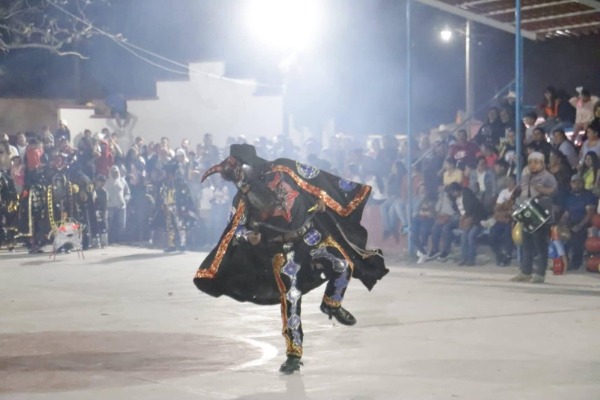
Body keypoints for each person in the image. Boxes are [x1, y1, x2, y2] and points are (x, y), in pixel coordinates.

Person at [193, 144, 388, 374]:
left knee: (342, 265)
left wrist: (321, 199)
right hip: (283, 250)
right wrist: (247, 236)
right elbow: (235, 229)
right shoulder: (242, 199)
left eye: (240, 173)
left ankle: (331, 304)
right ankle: (294, 353)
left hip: (311, 235)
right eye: (236, 179)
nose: (240, 181)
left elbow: (315, 182)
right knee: (291, 297)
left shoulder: (283, 168)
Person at [511, 152, 557, 284]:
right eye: (530, 162)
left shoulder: (548, 177)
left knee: (540, 245)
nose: (533, 165)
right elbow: (519, 190)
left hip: (541, 214)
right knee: (527, 244)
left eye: (536, 162)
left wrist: (540, 189)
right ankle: (525, 272)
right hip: (527, 214)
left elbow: (554, 192)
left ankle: (540, 274)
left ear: (542, 163)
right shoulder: (525, 177)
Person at [559, 174, 597, 271]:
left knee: (577, 240)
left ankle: (576, 264)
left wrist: (579, 226)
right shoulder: (570, 197)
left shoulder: (588, 196)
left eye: (579, 182)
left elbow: (589, 214)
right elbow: (566, 213)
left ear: (583, 183)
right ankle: (564, 262)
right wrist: (560, 224)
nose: (576, 185)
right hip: (571, 223)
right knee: (560, 237)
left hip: (585, 224)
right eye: (574, 182)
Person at [446, 182, 486, 266]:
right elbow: (459, 211)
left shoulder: (467, 194)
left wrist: (465, 217)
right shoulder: (456, 200)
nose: (453, 194)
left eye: (453, 192)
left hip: (476, 220)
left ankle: (471, 259)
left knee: (471, 236)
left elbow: (471, 209)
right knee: (463, 237)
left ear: (457, 190)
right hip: (466, 221)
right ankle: (464, 258)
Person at [489, 175, 516, 266]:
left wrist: (504, 208)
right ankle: (499, 255)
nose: (508, 183)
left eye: (510, 181)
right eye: (507, 182)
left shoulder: (517, 192)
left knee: (507, 234)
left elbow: (514, 209)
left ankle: (507, 257)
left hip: (512, 220)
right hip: (501, 218)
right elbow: (497, 207)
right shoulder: (503, 192)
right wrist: (504, 208)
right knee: (492, 234)